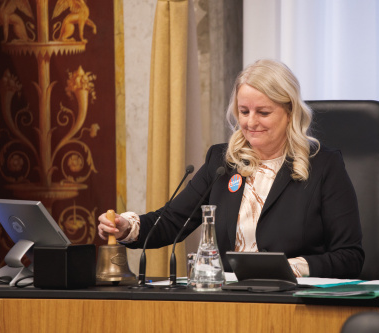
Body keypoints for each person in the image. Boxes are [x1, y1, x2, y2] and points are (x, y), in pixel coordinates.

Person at [98, 59, 364, 278]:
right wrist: (126, 228)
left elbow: (350, 257)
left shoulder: (323, 165)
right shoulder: (223, 162)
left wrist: (289, 268)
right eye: (243, 111)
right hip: (231, 302)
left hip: (295, 302)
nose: (251, 122)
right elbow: (171, 222)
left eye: (263, 112)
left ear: (290, 111)